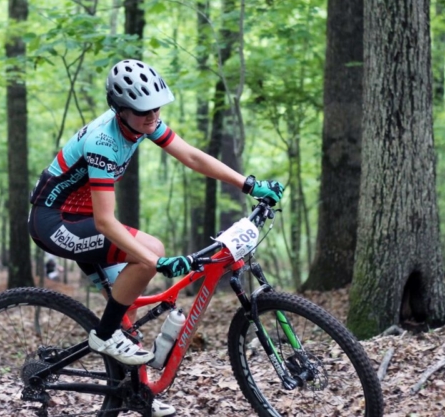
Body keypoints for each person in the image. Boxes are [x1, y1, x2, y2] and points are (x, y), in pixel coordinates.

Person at [28, 59, 284, 416]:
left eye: (156, 109)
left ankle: (138, 394)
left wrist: (249, 183)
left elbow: (193, 157)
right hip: (55, 222)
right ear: (120, 111)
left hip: (82, 217)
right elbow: (105, 221)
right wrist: (157, 263)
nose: (153, 117)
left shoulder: (141, 125)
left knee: (131, 301)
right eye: (143, 112)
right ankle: (104, 335)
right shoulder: (104, 141)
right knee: (149, 254)